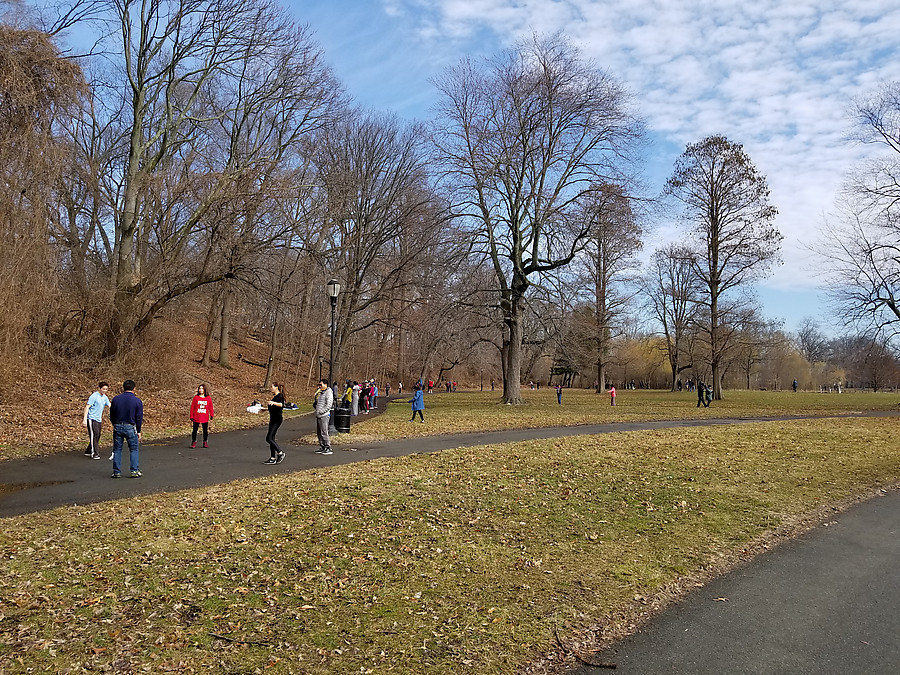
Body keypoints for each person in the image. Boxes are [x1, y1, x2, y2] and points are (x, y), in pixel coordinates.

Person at [109, 380, 143, 478]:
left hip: (118, 425)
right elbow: (139, 417)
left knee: (117, 449)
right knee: (133, 449)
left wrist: (114, 424)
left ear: (123, 388)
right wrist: (139, 430)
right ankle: (134, 470)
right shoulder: (137, 401)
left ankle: (116, 471)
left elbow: (112, 414)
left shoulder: (116, 399)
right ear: (134, 388)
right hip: (130, 426)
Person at [82, 381, 110, 460]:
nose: (104, 391)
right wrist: (84, 420)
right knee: (94, 435)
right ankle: (94, 454)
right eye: (103, 389)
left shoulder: (105, 397)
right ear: (99, 388)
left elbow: (110, 405)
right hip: (91, 418)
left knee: (98, 435)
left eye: (106, 389)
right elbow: (87, 407)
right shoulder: (94, 396)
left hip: (98, 419)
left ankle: (88, 451)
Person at [264, 382, 286, 465]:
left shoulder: (279, 396)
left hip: (277, 420)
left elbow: (281, 405)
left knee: (268, 438)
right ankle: (272, 458)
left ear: (276, 387)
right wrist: (265, 409)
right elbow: (273, 408)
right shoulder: (275, 397)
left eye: (272, 387)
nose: (271, 388)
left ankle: (280, 453)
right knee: (271, 438)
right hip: (272, 419)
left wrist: (273, 403)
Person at [189, 384, 215, 448]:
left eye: (202, 389)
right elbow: (192, 407)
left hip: (204, 416)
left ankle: (205, 442)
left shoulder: (208, 398)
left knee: (205, 430)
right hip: (197, 416)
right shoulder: (196, 398)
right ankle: (194, 441)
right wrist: (191, 416)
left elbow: (210, 407)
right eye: (199, 389)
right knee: (195, 430)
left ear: (204, 390)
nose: (200, 390)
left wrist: (211, 414)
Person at [313, 378, 334, 455]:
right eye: (319, 385)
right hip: (319, 415)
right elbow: (318, 402)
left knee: (324, 431)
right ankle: (322, 446)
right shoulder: (321, 393)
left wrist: (321, 411)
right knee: (319, 432)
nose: (320, 386)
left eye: (321, 385)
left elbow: (328, 405)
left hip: (324, 415)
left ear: (325, 384)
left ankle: (328, 447)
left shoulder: (329, 393)